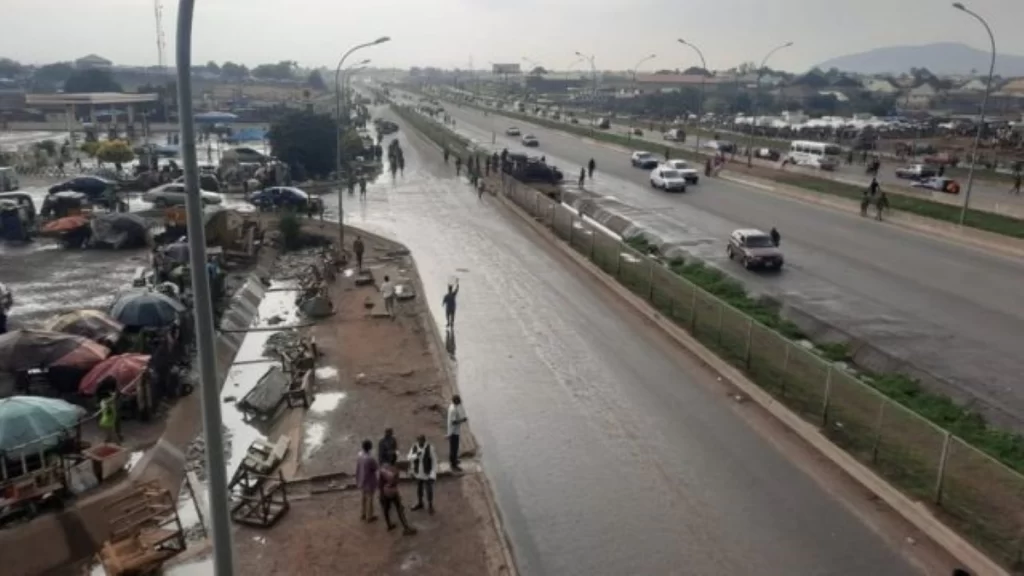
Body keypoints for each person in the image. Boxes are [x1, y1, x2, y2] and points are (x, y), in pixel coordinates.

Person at [379, 461, 416, 534]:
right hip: (392, 491)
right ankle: (406, 528)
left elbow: (380, 481)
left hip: (384, 491)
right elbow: (395, 482)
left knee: (386, 509)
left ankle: (389, 525)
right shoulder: (395, 471)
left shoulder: (384, 467)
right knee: (399, 509)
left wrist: (382, 492)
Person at [408, 434, 437, 514]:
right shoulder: (414, 447)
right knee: (419, 488)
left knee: (428, 490)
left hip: (426, 472)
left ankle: (430, 505)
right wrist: (416, 455)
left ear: (424, 440)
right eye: (419, 441)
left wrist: (433, 474)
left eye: (422, 441)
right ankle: (420, 502)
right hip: (418, 472)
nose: (420, 442)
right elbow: (409, 457)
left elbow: (434, 461)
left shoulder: (430, 448)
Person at [355, 439, 379, 522]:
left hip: (361, 479)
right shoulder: (370, 458)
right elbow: (376, 467)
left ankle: (363, 513)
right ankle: (369, 516)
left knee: (363, 497)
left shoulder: (359, 455)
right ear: (370, 447)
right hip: (369, 481)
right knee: (370, 499)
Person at [447, 395, 468, 472]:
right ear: (456, 401)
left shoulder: (452, 406)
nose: (460, 401)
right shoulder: (453, 410)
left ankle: (454, 460)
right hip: (453, 432)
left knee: (453, 448)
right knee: (454, 449)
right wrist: (462, 420)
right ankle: (454, 465)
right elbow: (453, 422)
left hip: (453, 431)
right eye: (459, 400)